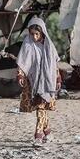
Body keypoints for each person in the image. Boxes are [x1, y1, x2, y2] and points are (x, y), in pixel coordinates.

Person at [16, 17, 61, 145]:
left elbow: (54, 64)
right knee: (41, 107)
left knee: (42, 107)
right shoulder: (27, 44)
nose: (35, 37)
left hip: (48, 81)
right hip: (33, 82)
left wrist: (57, 78)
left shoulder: (49, 46)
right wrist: (20, 75)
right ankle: (46, 132)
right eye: (32, 34)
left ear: (42, 32)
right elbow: (23, 61)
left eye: (37, 34)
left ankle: (38, 136)